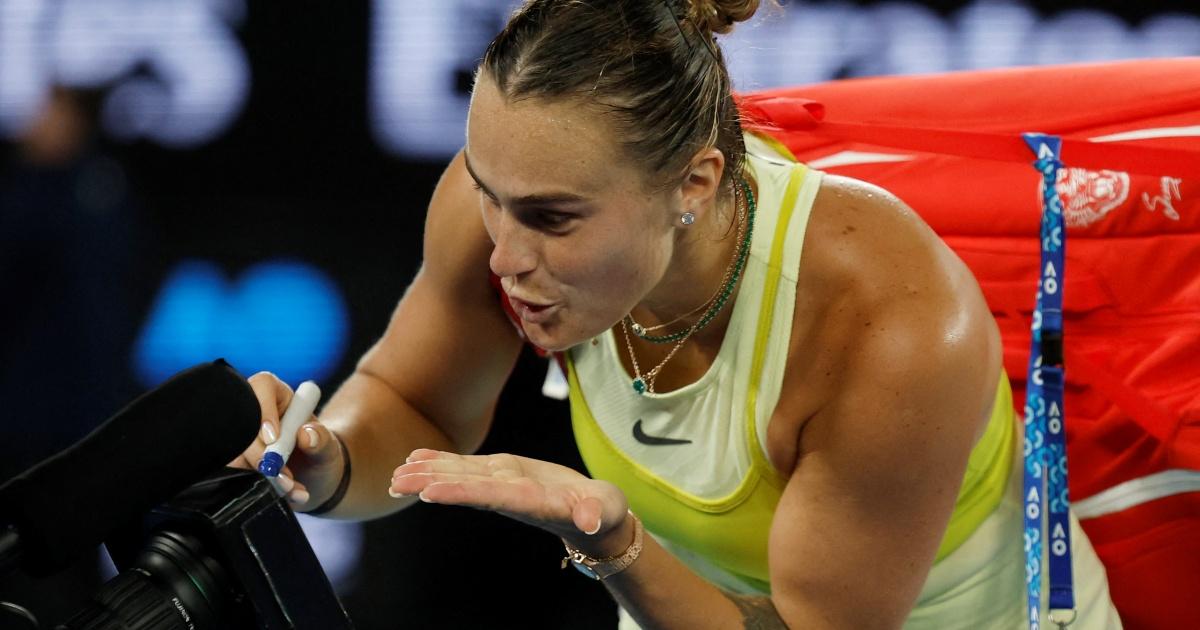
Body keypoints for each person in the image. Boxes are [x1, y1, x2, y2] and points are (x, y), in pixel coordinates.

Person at [231, 1, 1123, 627]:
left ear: (693, 183)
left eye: (551, 218)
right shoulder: (505, 204)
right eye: (488, 193)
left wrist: (612, 540)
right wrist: (324, 458)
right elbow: (414, 402)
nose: (502, 254)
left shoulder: (885, 324)